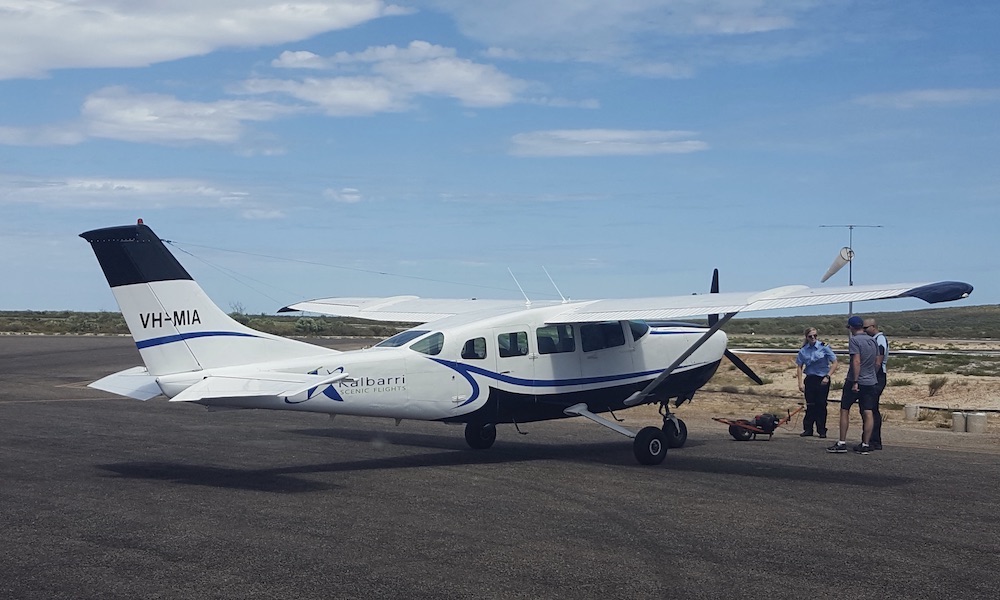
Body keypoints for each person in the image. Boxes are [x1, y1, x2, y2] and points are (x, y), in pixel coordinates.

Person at [827, 315, 879, 454]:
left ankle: (842, 442)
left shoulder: (854, 341)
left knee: (845, 409)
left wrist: (855, 381)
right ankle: (866, 444)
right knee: (868, 412)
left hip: (855, 380)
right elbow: (876, 360)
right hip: (870, 380)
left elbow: (856, 361)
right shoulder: (872, 340)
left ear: (851, 327)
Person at [795, 327, 838, 438]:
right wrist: (800, 383)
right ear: (807, 337)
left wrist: (828, 376)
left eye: (815, 335)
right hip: (810, 379)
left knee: (821, 405)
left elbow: (834, 362)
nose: (813, 338)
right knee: (810, 405)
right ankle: (808, 429)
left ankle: (821, 430)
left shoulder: (824, 347)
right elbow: (799, 366)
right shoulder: (803, 350)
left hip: (822, 379)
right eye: (811, 336)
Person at [864, 318, 888, 450]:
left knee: (872, 409)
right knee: (872, 409)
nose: (865, 330)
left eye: (866, 328)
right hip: (876, 375)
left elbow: (878, 360)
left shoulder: (879, 340)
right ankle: (872, 439)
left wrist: (872, 376)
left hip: (877, 376)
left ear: (873, 327)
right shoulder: (877, 339)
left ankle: (874, 440)